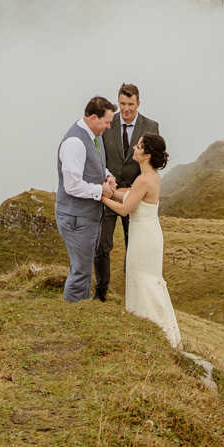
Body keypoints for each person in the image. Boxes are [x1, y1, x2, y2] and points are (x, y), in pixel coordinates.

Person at [101, 132, 180, 348]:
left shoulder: (144, 179)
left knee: (143, 279)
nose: (134, 148)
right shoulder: (151, 176)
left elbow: (125, 209)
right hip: (149, 233)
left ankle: (153, 332)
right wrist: (114, 191)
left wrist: (101, 197)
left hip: (143, 238)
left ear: (146, 154)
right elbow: (130, 194)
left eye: (138, 146)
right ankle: (156, 331)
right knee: (147, 278)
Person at [96, 83, 159, 301]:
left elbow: (154, 163)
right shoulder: (107, 123)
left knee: (134, 248)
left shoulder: (151, 126)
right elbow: (99, 157)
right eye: (122, 103)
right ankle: (100, 291)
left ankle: (131, 294)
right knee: (101, 244)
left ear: (138, 104)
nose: (126, 109)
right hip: (109, 191)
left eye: (130, 104)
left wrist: (136, 190)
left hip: (135, 198)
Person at [55, 96, 118, 302]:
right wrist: (100, 190)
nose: (108, 127)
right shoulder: (74, 143)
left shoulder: (94, 134)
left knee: (82, 267)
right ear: (93, 118)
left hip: (86, 217)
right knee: (81, 271)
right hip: (76, 217)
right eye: (107, 122)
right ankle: (73, 314)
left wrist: (107, 175)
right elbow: (71, 184)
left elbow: (94, 164)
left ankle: (77, 310)